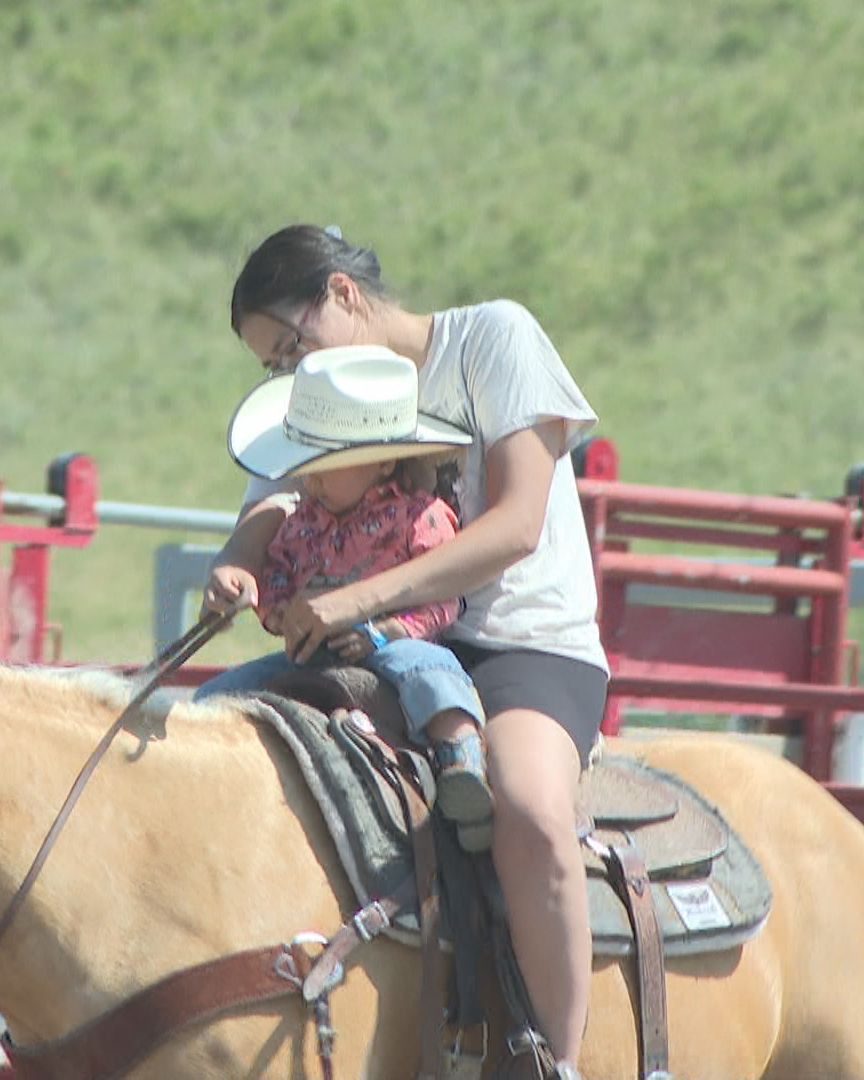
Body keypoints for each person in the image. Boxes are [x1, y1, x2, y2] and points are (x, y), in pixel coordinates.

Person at [200, 224, 608, 1076]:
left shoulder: (495, 338)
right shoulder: (319, 395)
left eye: (292, 346)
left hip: (519, 645)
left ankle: (557, 1062)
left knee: (529, 811)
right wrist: (238, 567)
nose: (289, 373)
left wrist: (357, 597)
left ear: (342, 296)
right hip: (372, 642)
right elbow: (272, 500)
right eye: (273, 365)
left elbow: (515, 525)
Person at [197, 344, 496, 848]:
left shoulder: (420, 518)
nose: (309, 476)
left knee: (429, 670)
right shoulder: (301, 523)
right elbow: (279, 579)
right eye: (307, 463)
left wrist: (387, 631)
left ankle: (461, 759)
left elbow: (445, 600)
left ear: (381, 465)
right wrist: (275, 609)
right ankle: (202, 759)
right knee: (218, 694)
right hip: (311, 652)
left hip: (394, 642)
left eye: (328, 463)